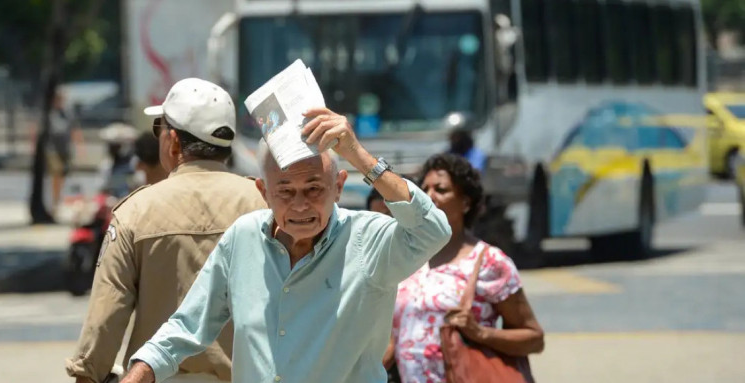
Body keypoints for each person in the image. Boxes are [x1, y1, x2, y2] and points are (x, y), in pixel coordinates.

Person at [122, 107, 452, 383]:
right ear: (263, 192)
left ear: (338, 187)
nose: (300, 206)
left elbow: (433, 230)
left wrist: (357, 155)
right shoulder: (243, 237)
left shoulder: (369, 240)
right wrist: (136, 376)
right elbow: (186, 328)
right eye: (285, 192)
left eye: (313, 189)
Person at [66, 78, 267, 383]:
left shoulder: (135, 212)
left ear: (172, 141)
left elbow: (104, 321)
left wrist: (87, 374)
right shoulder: (266, 205)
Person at [384, 153, 544, 382]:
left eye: (441, 190)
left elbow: (534, 338)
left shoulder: (489, 262)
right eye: (425, 190)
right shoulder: (409, 256)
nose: (430, 197)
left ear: (466, 203)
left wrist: (480, 333)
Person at [48, 89, 85, 210]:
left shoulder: (67, 113)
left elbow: (75, 129)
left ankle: (58, 196)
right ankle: (55, 198)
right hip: (52, 148)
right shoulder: (49, 113)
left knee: (63, 174)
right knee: (56, 172)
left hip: (65, 148)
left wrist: (80, 147)